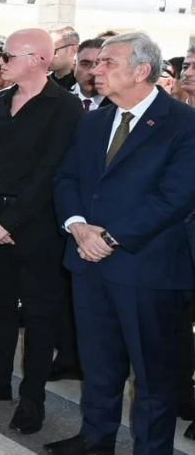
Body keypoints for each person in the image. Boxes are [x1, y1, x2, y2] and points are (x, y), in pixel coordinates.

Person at [47, 32, 195, 455]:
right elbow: (67, 178)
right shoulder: (93, 120)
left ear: (141, 70)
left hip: (147, 269)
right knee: (98, 364)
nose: (96, 70)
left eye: (107, 63)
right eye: (95, 64)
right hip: (88, 262)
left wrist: (110, 237)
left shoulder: (183, 123)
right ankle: (96, 438)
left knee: (152, 375)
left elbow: (176, 196)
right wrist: (78, 227)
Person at [0, 28, 83, 436]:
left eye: (8, 56)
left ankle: (33, 398)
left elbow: (52, 172)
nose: (0, 62)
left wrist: (10, 220)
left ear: (38, 59)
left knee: (41, 314)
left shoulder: (66, 107)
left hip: (38, 224)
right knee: (0, 303)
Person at [71, 38, 110, 113]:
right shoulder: (61, 102)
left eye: (99, 64)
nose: (92, 72)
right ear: (74, 68)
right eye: (85, 64)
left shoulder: (120, 106)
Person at [49, 27, 80, 91]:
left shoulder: (84, 84)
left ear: (72, 50)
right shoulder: (42, 82)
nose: (48, 55)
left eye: (53, 50)